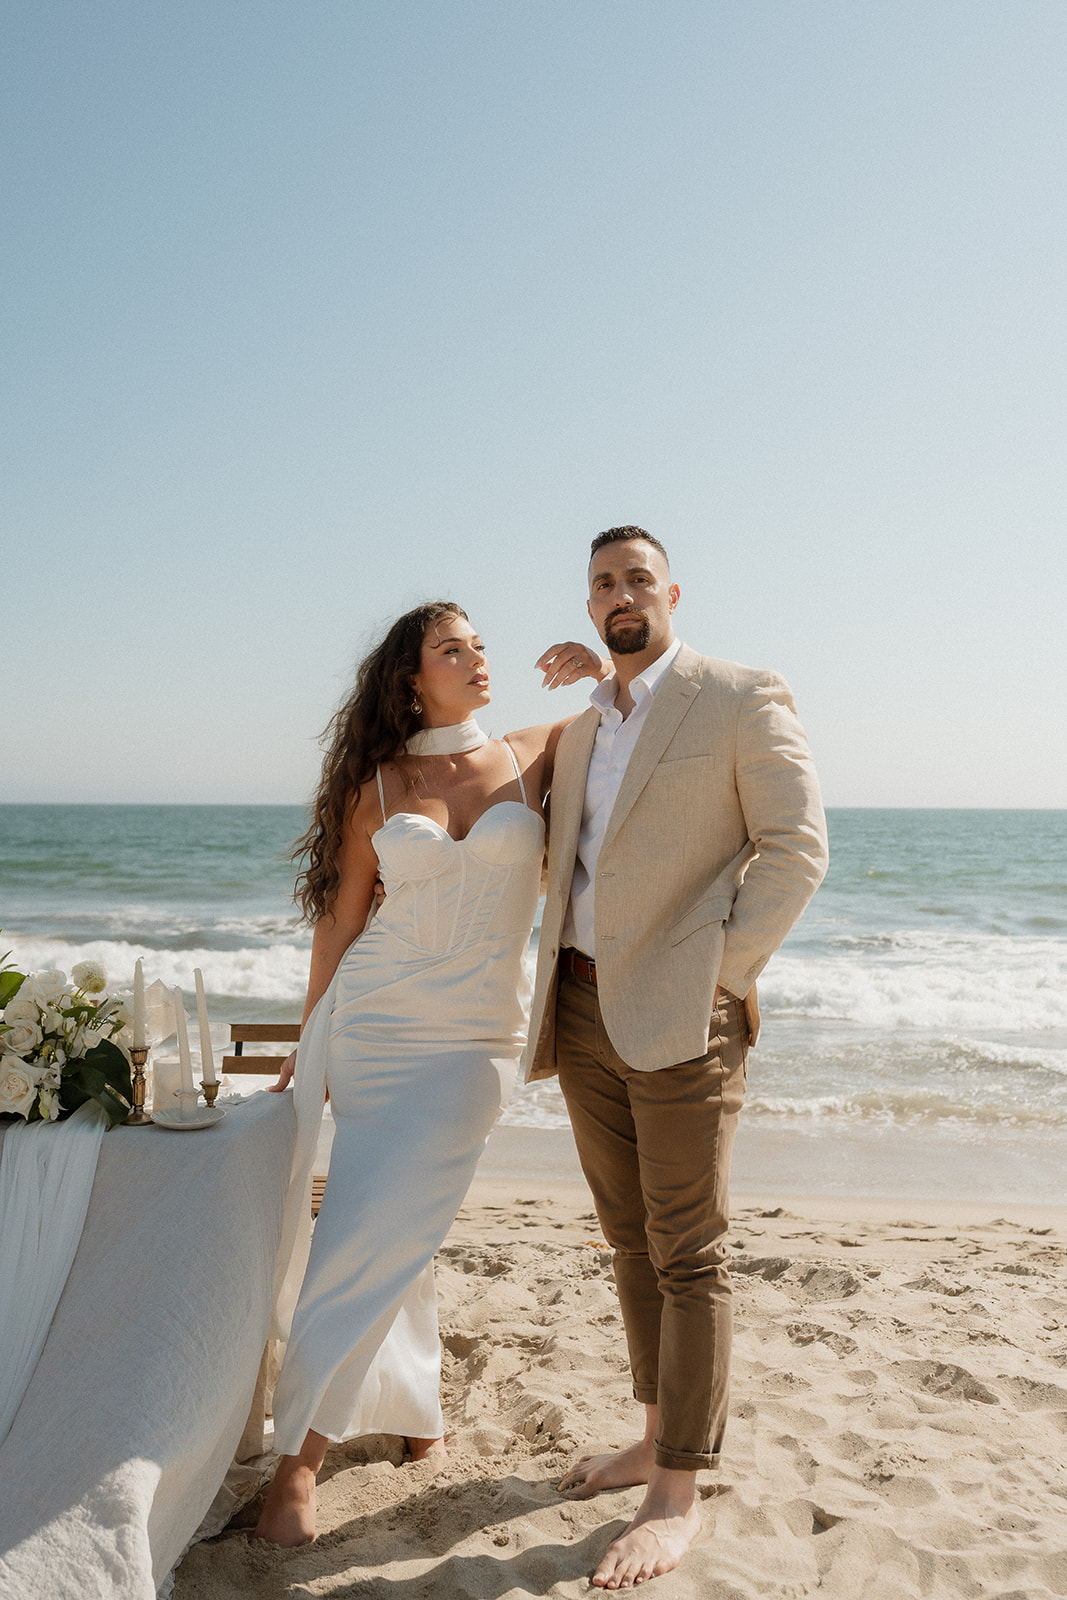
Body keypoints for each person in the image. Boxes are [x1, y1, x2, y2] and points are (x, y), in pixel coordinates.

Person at [256, 600, 603, 1547]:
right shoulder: (373, 787)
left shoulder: (534, 752)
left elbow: (643, 704)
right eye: (454, 649)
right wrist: (309, 1034)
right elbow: (340, 921)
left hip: (475, 1039)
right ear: (413, 678)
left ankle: (302, 1456)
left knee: (379, 1222)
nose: (478, 658)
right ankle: (393, 1425)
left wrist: (599, 661)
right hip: (375, 1027)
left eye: (481, 644)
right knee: (379, 1217)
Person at [528, 526, 828, 1590]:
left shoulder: (739, 694)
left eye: (636, 579)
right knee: (625, 1242)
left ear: (670, 592)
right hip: (574, 1007)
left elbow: (796, 847)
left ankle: (675, 1492)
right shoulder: (582, 726)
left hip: (683, 1021)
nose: (620, 594)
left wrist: (721, 974)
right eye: (603, 582)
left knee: (686, 1253)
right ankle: (652, 1440)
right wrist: (589, 679)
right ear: (590, 601)